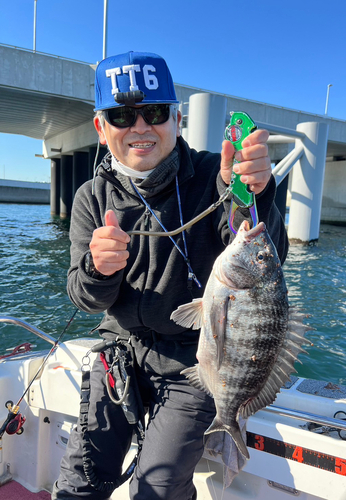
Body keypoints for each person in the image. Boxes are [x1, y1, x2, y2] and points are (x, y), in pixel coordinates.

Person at [52, 50, 288, 500]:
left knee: (157, 489)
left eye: (155, 112)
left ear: (176, 119)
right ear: (102, 130)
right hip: (118, 354)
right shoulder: (90, 196)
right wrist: (98, 269)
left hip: (195, 364)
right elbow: (85, 299)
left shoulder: (211, 176)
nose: (140, 126)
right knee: (78, 482)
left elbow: (257, 245)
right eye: (122, 115)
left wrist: (252, 191)